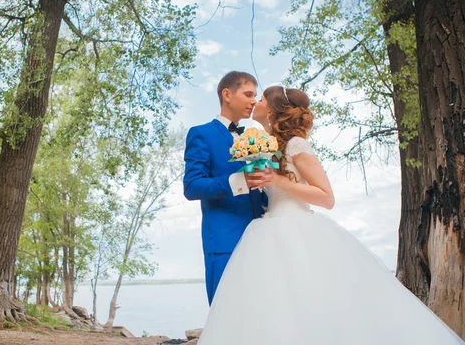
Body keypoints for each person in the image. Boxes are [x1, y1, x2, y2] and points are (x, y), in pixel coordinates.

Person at [197, 85, 465, 344]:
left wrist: (278, 182)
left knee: (310, 303)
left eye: (262, 98)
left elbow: (326, 198)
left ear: (273, 111)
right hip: (268, 230)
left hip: (297, 231)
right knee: (274, 306)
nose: (256, 102)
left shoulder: (296, 145)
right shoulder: (268, 147)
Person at [183, 71, 268, 305]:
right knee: (226, 316)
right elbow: (191, 186)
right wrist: (239, 181)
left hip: (261, 241)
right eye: (248, 94)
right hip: (224, 242)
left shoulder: (254, 138)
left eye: (256, 96)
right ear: (227, 94)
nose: (254, 101)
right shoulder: (201, 133)